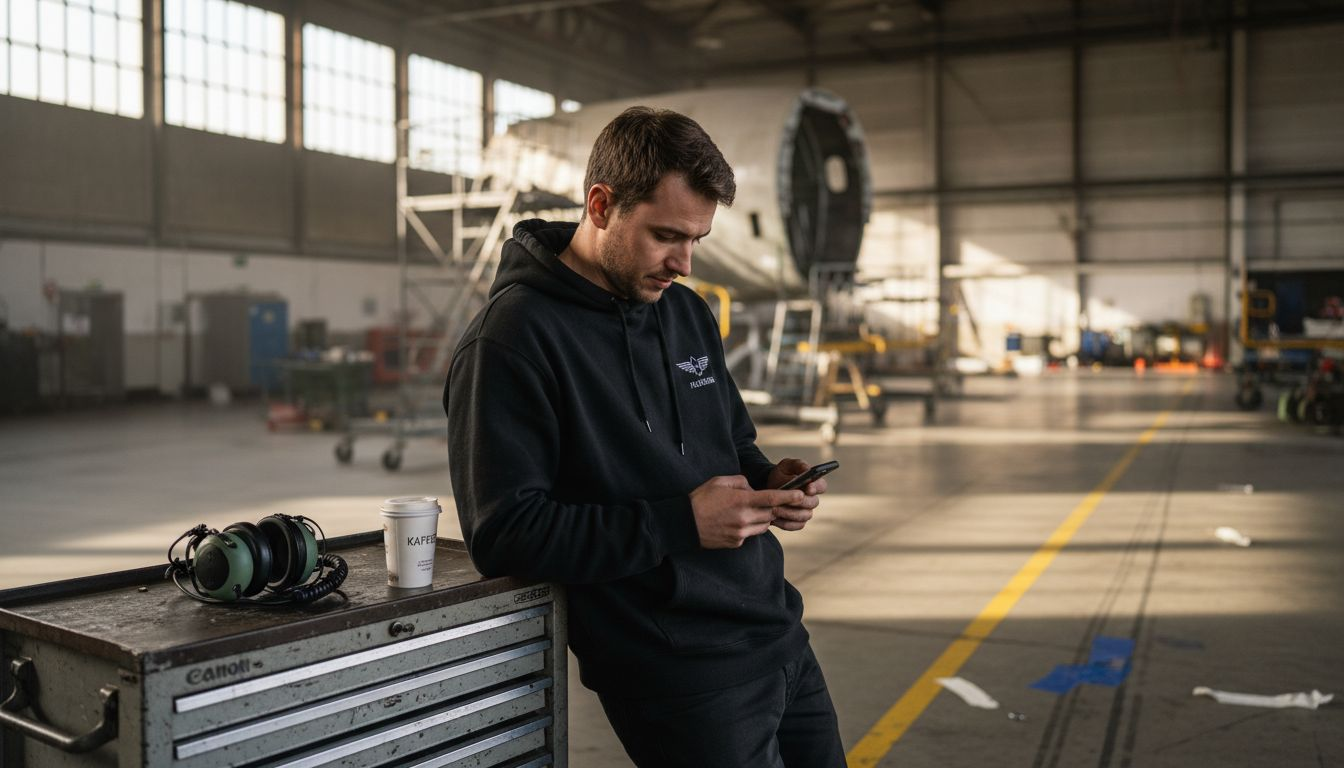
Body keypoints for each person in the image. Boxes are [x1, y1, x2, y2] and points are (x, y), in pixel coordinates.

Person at [444, 106, 845, 767]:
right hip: (678, 676)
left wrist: (771, 479)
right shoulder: (511, 341)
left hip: (777, 635)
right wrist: (680, 523)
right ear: (601, 205)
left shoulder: (685, 313)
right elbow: (505, 533)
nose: (684, 263)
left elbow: (732, 445)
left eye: (697, 239)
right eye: (666, 236)